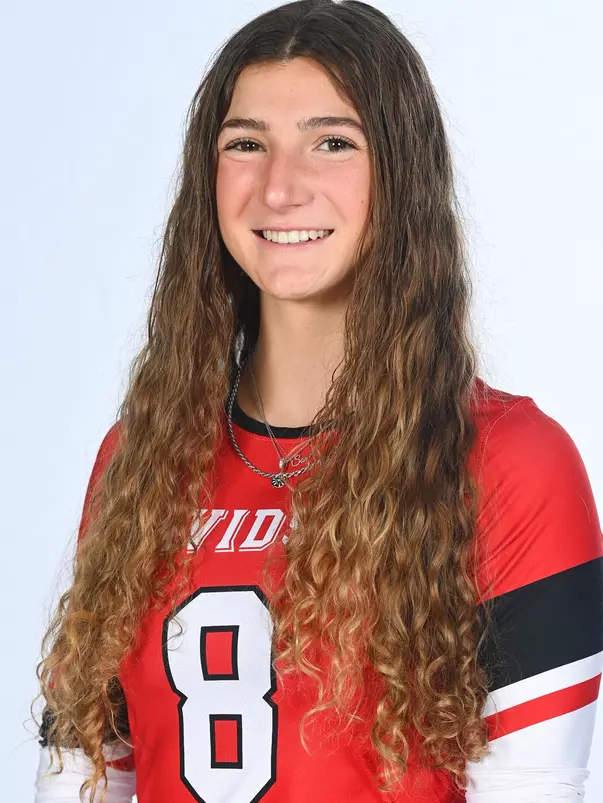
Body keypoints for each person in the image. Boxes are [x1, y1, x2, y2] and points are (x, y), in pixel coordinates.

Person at [32, 1, 603, 801]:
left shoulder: (509, 462)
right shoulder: (139, 460)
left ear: (399, 173)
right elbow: (79, 781)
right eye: (245, 144)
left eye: (331, 142)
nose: (279, 188)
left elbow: (533, 788)